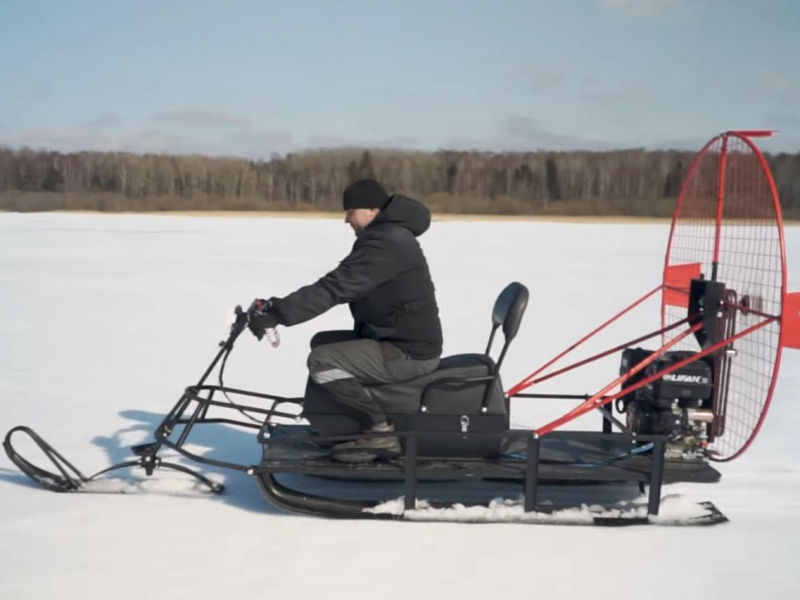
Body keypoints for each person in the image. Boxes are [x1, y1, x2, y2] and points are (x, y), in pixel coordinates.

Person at [247, 179, 443, 463]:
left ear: (373, 210)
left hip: (408, 352)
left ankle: (379, 431)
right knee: (322, 342)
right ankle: (339, 421)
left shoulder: (386, 242)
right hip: (398, 339)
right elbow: (341, 282)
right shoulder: (387, 236)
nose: (346, 219)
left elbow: (337, 287)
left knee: (322, 360)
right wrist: (276, 307)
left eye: (351, 211)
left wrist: (279, 313)